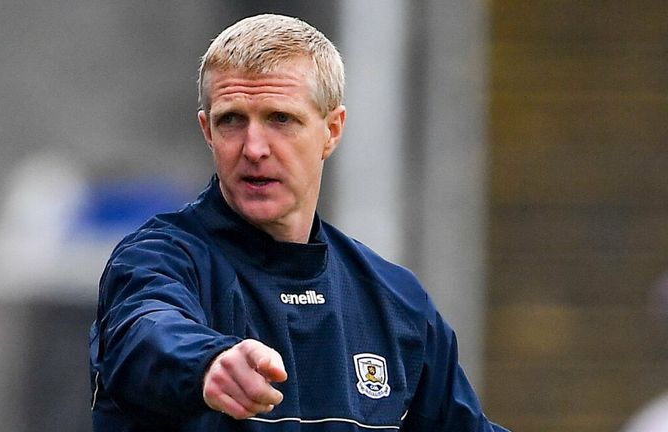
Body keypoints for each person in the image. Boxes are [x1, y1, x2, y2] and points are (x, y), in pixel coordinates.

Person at [89, 13, 509, 431]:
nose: (254, 148)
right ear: (207, 131)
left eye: (280, 119)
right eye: (232, 120)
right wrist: (208, 363)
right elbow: (146, 328)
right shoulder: (157, 259)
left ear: (331, 129)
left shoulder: (397, 302)